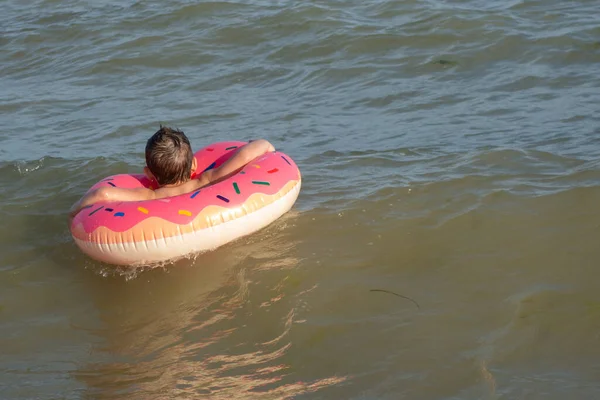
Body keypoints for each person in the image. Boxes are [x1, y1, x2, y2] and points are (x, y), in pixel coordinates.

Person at [69, 126, 275, 220]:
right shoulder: (207, 180)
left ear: (149, 174)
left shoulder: (148, 196)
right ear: (193, 164)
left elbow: (102, 194)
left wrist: (73, 213)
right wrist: (263, 145)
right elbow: (254, 149)